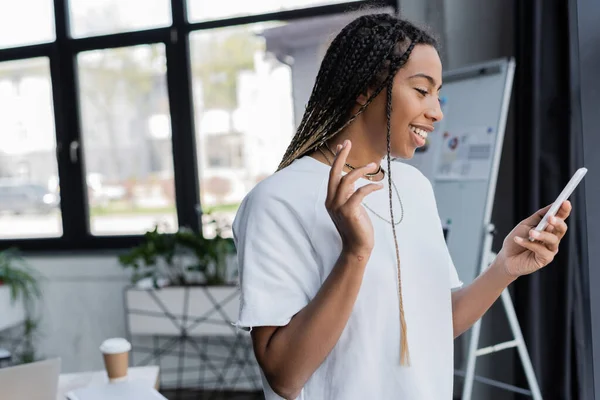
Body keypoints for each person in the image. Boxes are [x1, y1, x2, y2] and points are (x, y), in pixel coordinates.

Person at [232, 13, 571, 400]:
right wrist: (355, 254)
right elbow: (284, 375)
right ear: (366, 88)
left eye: (437, 93)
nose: (437, 112)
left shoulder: (414, 186)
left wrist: (505, 267)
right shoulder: (276, 201)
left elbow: (433, 324)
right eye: (421, 90)